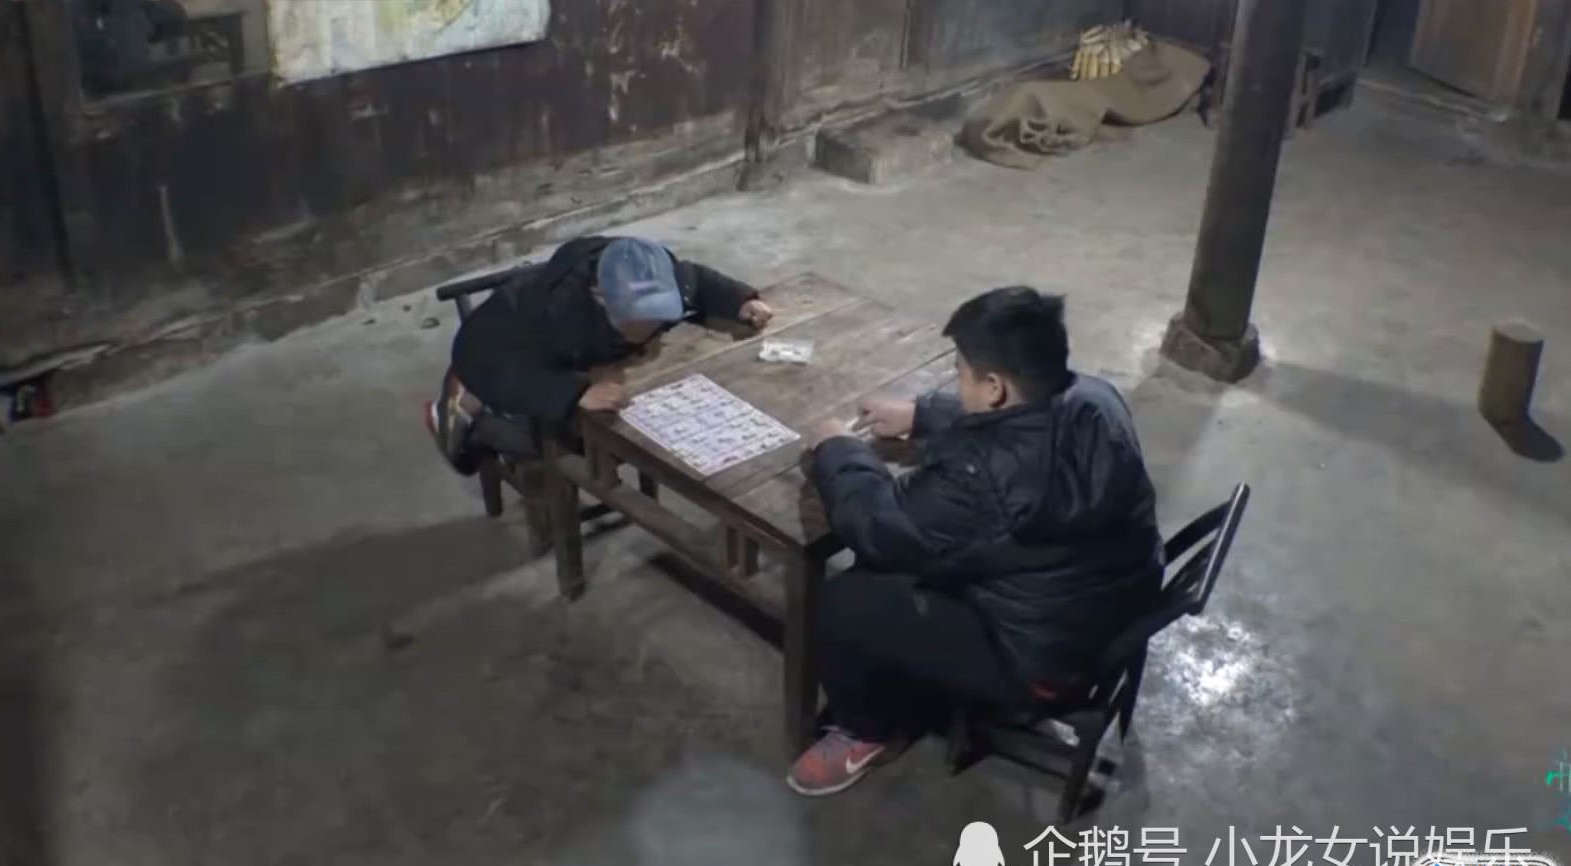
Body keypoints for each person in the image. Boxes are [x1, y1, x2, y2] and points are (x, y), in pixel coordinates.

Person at [787, 286, 1162, 797]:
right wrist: (922, 413)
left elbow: (876, 526)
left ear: (993, 387)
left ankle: (865, 731)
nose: (958, 380)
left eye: (961, 373)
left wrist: (837, 449)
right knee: (913, 566)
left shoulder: (981, 478)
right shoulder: (1096, 398)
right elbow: (1022, 426)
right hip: (1106, 608)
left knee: (845, 600)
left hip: (1042, 660)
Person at [425, 236, 773, 472]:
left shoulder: (656, 272)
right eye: (638, 320)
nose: (649, 329)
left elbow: (696, 280)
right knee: (561, 445)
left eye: (657, 317)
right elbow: (478, 353)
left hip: (589, 358)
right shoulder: (550, 310)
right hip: (503, 356)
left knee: (628, 429)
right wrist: (575, 393)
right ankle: (464, 406)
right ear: (601, 298)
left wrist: (739, 301)